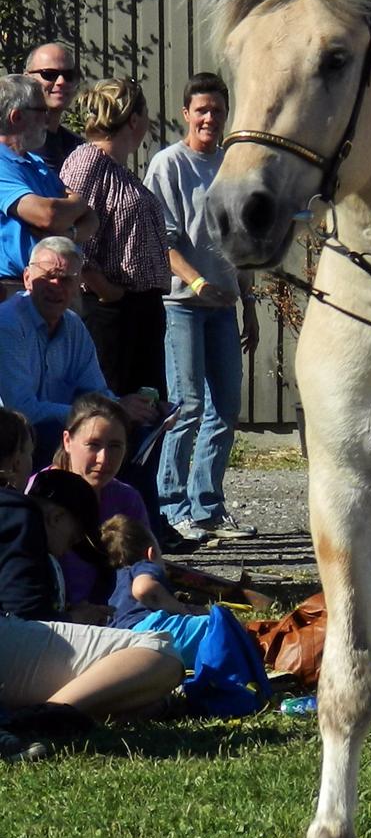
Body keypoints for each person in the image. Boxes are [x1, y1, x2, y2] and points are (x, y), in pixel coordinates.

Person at [0, 412, 183, 760]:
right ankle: (39, 717)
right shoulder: (15, 511)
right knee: (161, 653)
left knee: (139, 694)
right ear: (11, 461)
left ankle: (69, 708)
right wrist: (71, 617)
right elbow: (25, 610)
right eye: (26, 451)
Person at [144, 73, 259, 544]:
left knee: (225, 407)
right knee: (186, 406)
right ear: (186, 114)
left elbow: (243, 242)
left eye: (217, 109)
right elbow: (162, 238)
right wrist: (197, 282)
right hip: (182, 306)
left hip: (224, 307)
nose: (210, 117)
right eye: (202, 110)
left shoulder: (233, 166)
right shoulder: (168, 165)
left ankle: (208, 507)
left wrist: (248, 302)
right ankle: (172, 508)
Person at [0, 237, 160, 465]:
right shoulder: (7, 324)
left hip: (58, 432)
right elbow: (23, 411)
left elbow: (95, 390)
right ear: (27, 279)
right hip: (14, 441)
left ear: (77, 286)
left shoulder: (74, 326)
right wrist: (104, 413)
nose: (56, 286)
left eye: (66, 280)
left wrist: (127, 407)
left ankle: (128, 501)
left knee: (134, 434)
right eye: (48, 277)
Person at [59, 78, 170, 398]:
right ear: (135, 120)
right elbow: (69, 235)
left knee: (147, 410)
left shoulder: (120, 170)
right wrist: (108, 293)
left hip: (141, 310)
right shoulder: (88, 160)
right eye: (146, 113)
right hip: (111, 313)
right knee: (112, 408)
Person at [50, 394, 149, 617]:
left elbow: (147, 568)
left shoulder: (127, 499)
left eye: (115, 446)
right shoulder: (42, 497)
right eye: (93, 445)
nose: (104, 459)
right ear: (67, 441)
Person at [0, 73, 96, 299]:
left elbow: (91, 218)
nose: (48, 119)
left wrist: (67, 232)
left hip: (54, 288)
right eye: (42, 111)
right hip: (12, 291)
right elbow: (48, 214)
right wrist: (74, 207)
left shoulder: (37, 164)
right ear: (16, 116)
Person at [102, 515, 211, 668]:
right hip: (150, 632)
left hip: (119, 644)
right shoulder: (144, 566)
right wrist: (184, 610)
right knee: (218, 626)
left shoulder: (115, 581)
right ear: (151, 553)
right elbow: (144, 589)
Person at [24, 41, 84, 172]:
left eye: (68, 75)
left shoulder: (77, 147)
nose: (61, 82)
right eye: (49, 74)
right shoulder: (13, 143)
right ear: (27, 79)